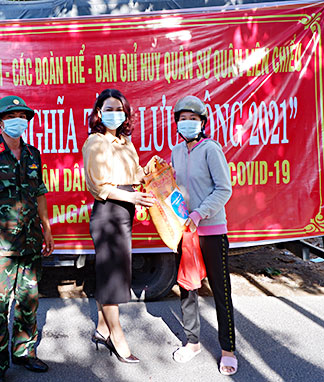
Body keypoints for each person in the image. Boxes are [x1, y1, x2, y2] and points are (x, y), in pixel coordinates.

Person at [0, 95, 54, 382]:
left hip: (30, 243)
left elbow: (39, 193)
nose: (19, 120)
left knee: (28, 301)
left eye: (23, 115)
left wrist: (47, 228)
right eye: (12, 115)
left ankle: (24, 352)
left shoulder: (32, 155)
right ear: (0, 121)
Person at [82, 88, 156, 363]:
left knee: (115, 275)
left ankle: (102, 329)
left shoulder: (125, 142)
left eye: (119, 109)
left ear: (126, 114)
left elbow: (136, 173)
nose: (114, 114)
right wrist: (132, 196)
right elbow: (98, 186)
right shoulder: (96, 142)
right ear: (99, 113)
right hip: (108, 214)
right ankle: (118, 337)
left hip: (125, 212)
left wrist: (153, 173)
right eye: (108, 109)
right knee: (112, 279)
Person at [168, 95, 237, 376]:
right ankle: (193, 342)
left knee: (220, 291)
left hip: (211, 230)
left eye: (192, 119)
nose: (187, 123)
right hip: (184, 232)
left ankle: (228, 350)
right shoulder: (176, 151)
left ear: (203, 122)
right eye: (182, 119)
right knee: (187, 288)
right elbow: (175, 190)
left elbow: (224, 189)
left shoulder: (211, 149)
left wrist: (199, 214)